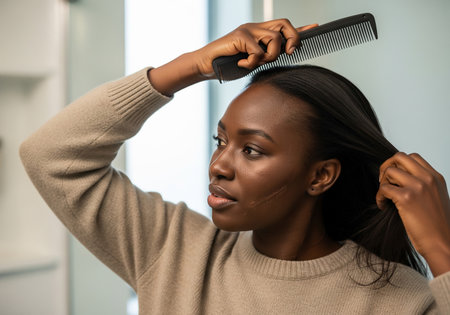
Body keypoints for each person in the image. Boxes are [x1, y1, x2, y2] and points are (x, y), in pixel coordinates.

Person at [20, 19, 450, 314]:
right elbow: (51, 155)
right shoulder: (172, 250)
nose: (218, 165)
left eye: (252, 150)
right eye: (220, 141)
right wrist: (192, 65)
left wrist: (442, 252)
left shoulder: (398, 300)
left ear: (321, 176)